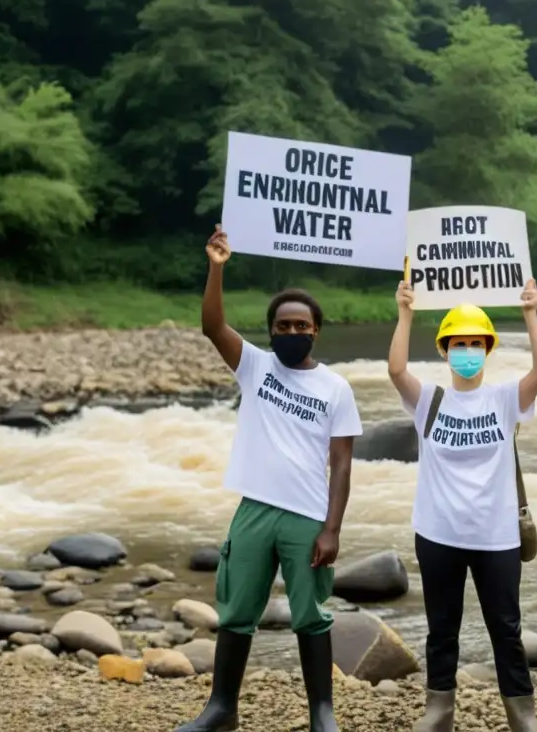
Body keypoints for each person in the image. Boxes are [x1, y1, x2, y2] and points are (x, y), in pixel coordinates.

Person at [177, 225, 362, 732]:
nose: (291, 332)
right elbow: (213, 325)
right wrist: (216, 266)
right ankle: (221, 709)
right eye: (282, 326)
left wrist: (332, 528)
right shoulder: (255, 367)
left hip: (306, 516)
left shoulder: (336, 387)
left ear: (316, 331)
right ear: (271, 331)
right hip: (254, 510)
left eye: (301, 325)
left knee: (311, 614)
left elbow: (342, 462)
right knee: (237, 609)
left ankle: (322, 713)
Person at [387, 278, 537, 732]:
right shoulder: (429, 401)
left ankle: (523, 715)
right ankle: (438, 710)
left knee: (507, 629)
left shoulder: (503, 399)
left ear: (488, 348)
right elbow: (397, 370)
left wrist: (531, 314)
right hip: (438, 533)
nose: (467, 350)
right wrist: (405, 314)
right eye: (458, 343)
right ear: (444, 350)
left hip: (496, 537)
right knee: (442, 629)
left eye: (475, 343)